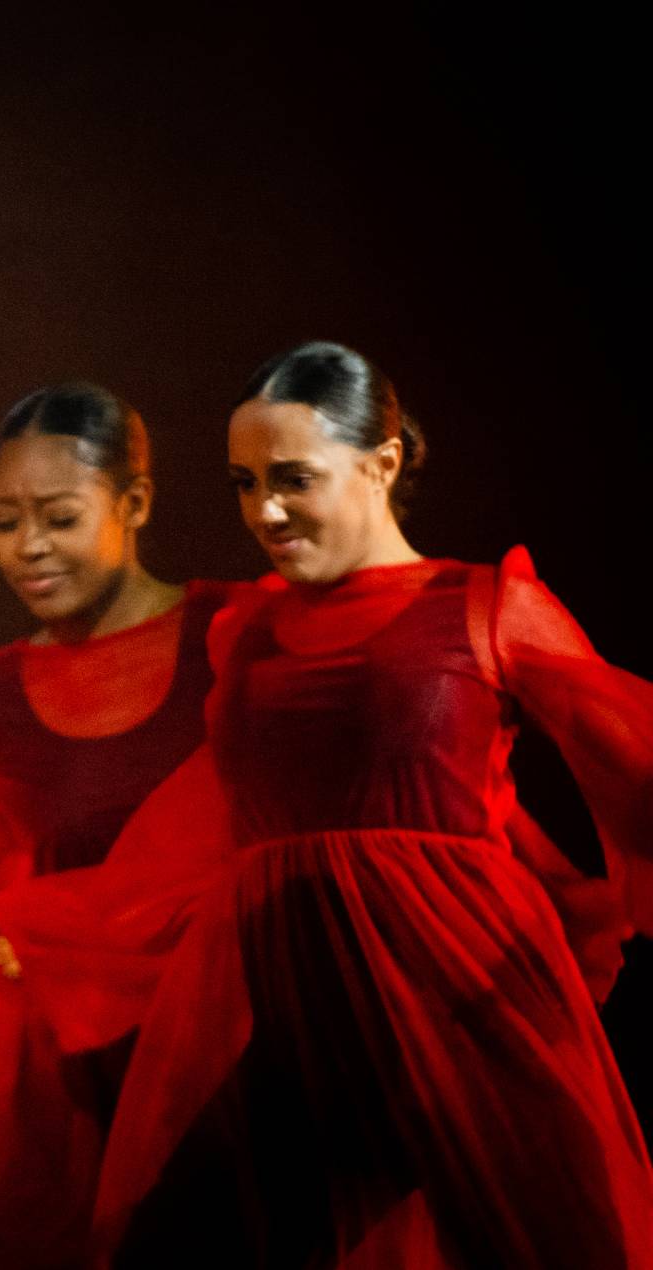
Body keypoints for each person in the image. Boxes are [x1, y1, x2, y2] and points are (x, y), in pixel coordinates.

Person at [77, 341, 653, 1265]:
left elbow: (631, 753)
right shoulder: (247, 634)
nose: (264, 510)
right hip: (288, 998)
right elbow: (202, 820)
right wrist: (75, 931)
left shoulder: (483, 605)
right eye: (243, 482)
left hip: (455, 994)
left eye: (294, 479)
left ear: (382, 464)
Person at [0, 383, 229, 1268]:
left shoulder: (231, 638)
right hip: (70, 1064)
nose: (29, 549)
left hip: (217, 1033)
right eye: (4, 522)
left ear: (133, 502)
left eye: (58, 518)